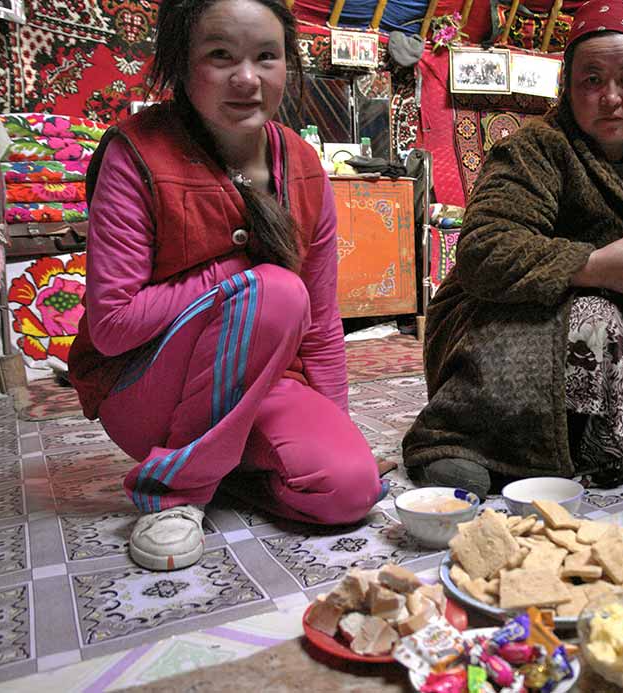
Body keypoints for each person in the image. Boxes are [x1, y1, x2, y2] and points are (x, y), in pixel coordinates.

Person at [68, 0, 383, 571]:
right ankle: (175, 492)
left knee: (351, 489)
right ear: (181, 63)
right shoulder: (136, 153)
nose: (247, 78)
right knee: (276, 293)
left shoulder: (304, 165)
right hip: (146, 387)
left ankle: (223, 468)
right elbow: (112, 327)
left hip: (263, 384)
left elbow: (322, 321)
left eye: (267, 57)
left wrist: (337, 418)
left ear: (289, 64)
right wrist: (236, 280)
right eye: (220, 56)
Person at [401, 0, 623, 499]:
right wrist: (596, 266)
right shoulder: (537, 150)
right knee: (595, 318)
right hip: (501, 330)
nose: (611, 97)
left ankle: (565, 452)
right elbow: (483, 252)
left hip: (616, 356)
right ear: (568, 88)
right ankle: (464, 444)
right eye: (591, 80)